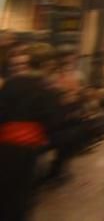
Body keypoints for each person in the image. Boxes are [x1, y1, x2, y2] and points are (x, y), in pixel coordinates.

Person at [0, 42, 63, 221]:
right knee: (19, 196)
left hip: (3, 145)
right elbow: (54, 122)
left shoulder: (11, 84)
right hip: (27, 150)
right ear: (47, 64)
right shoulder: (46, 90)